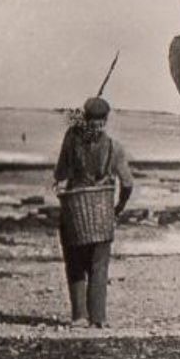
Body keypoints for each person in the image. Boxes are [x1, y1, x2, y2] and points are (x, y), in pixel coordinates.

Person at [53, 96, 134, 328]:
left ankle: (79, 316)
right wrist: (118, 208)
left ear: (85, 118)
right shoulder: (114, 147)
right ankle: (98, 318)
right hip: (102, 212)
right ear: (105, 120)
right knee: (99, 264)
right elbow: (127, 184)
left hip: (76, 211)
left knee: (75, 262)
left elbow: (60, 175)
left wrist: (72, 136)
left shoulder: (72, 141)